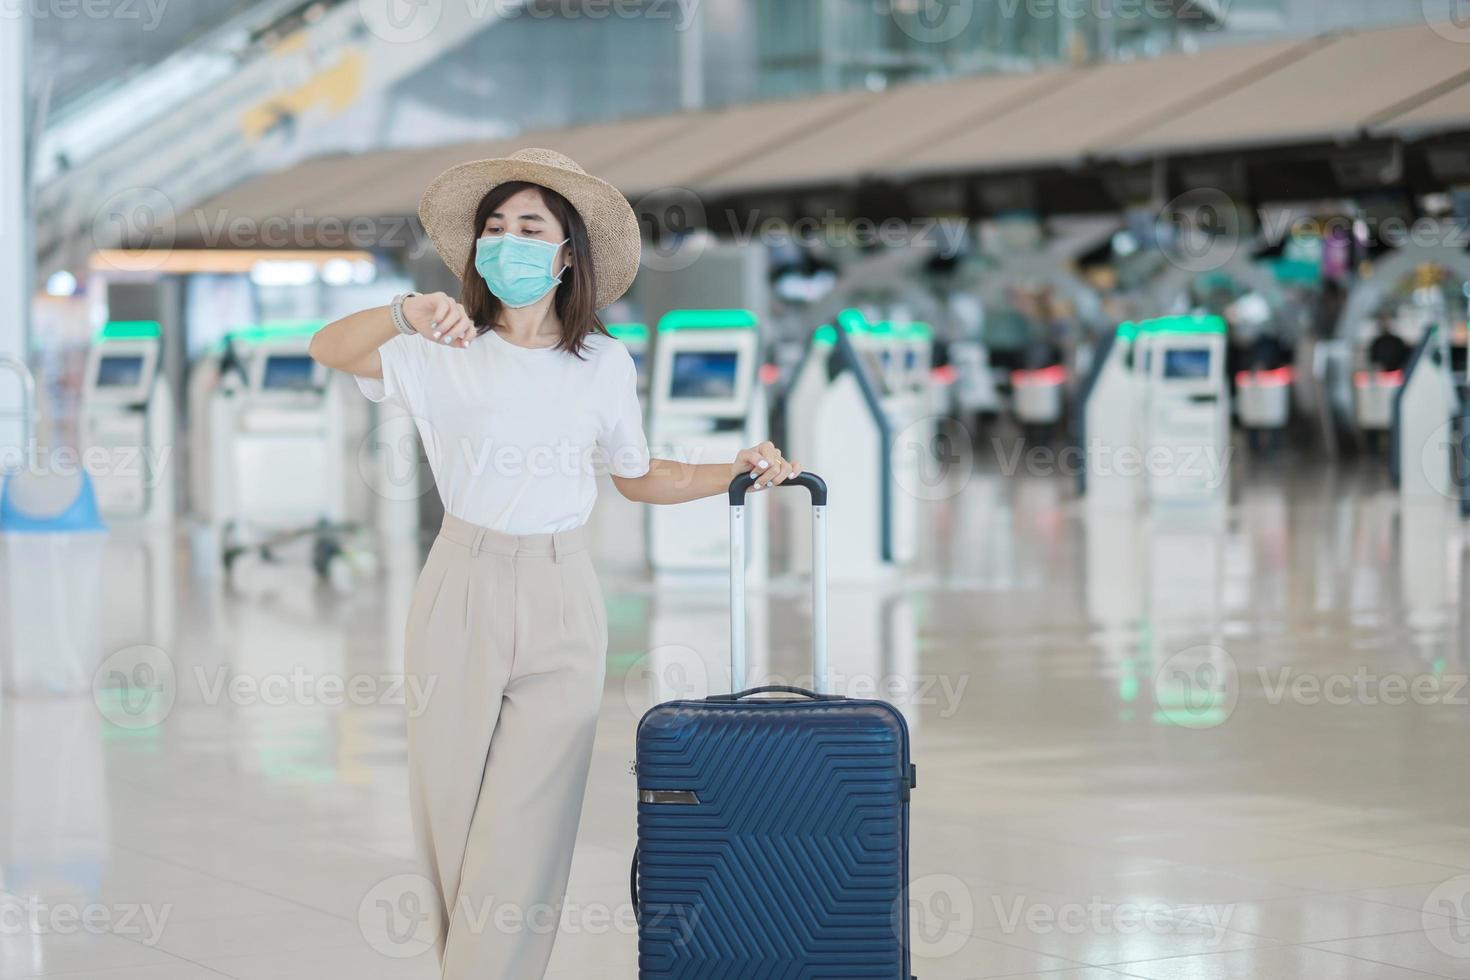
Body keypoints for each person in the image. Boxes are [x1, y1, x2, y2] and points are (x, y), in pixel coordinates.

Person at [307, 148, 799, 979]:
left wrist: (736, 469)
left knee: (530, 826)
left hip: (564, 596)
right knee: (452, 814)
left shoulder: (603, 363)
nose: (508, 242)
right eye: (494, 228)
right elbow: (326, 347)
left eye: (529, 227)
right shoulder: (440, 346)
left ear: (567, 252)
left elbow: (638, 477)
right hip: (459, 585)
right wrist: (405, 310)